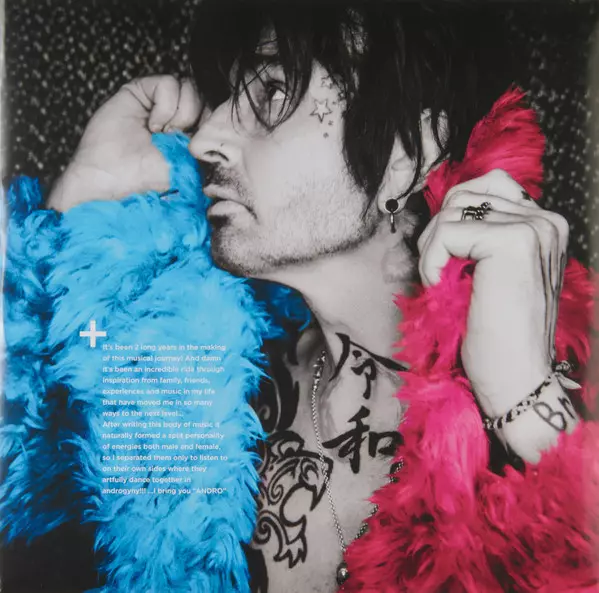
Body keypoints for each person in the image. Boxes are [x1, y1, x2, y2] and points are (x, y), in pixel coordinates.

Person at [5, 1, 598, 592]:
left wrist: (528, 405)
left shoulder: (576, 385)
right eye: (223, 98)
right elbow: (34, 509)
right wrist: (79, 208)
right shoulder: (202, 377)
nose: (204, 139)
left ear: (408, 152)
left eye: (271, 94)